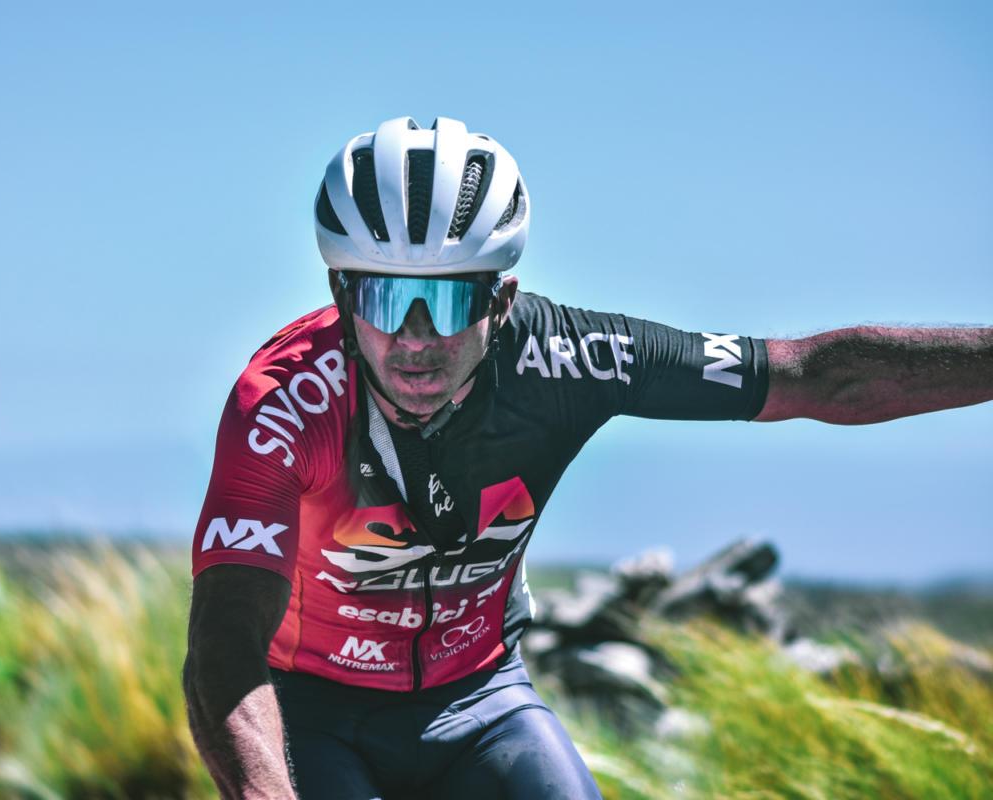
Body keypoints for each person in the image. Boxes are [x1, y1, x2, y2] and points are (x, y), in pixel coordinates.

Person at [182, 116, 992, 800]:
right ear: (341, 295)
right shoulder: (283, 403)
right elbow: (224, 641)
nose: (417, 341)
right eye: (387, 299)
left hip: (478, 697)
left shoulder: (568, 360)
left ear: (503, 299)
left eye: (453, 300)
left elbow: (816, 376)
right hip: (313, 710)